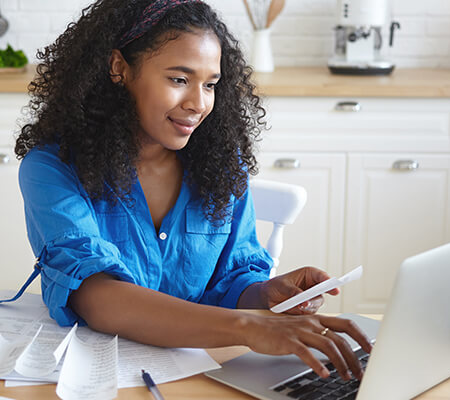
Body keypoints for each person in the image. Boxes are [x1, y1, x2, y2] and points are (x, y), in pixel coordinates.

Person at [12, 0, 371, 381]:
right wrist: (248, 326)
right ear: (120, 68)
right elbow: (98, 298)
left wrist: (264, 295)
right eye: (179, 80)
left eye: (210, 85)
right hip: (98, 379)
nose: (198, 104)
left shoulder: (220, 164)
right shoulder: (53, 166)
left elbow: (230, 280)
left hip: (204, 373)